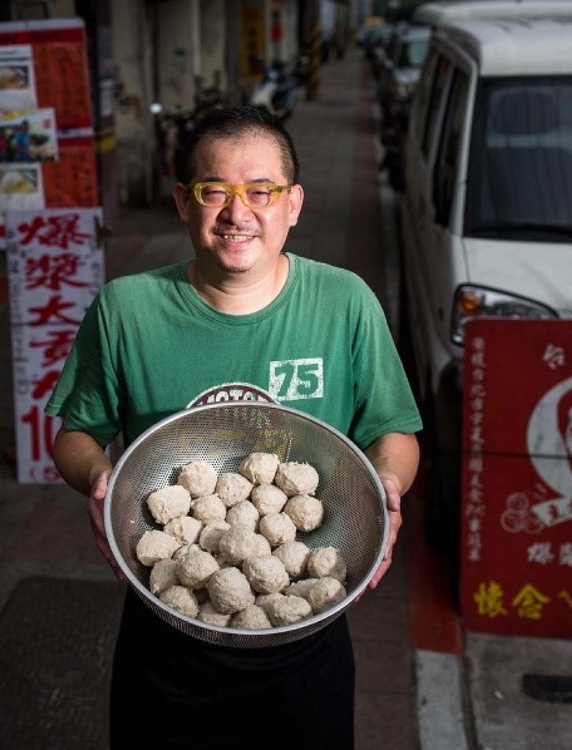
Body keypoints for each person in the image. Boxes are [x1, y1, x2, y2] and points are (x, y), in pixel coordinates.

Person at [45, 104, 422, 749]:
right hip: (168, 634)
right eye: (214, 190)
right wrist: (98, 478)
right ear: (182, 203)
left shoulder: (344, 302)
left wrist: (386, 482)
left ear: (294, 203)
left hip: (306, 624)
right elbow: (74, 434)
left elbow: (394, 432)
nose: (237, 212)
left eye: (262, 191)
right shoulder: (126, 309)